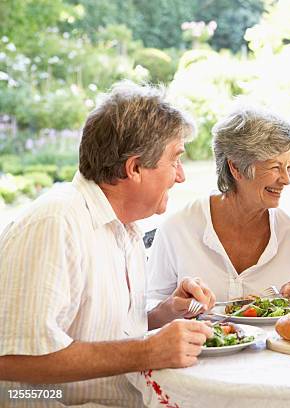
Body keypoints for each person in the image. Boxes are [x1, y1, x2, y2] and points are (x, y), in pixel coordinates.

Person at [0, 81, 216, 407]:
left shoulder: (124, 227)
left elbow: (100, 330)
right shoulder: (56, 221)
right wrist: (146, 351)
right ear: (134, 168)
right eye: (175, 160)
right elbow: (12, 357)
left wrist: (165, 314)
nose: (181, 176)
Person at [146, 106, 290, 306]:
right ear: (235, 167)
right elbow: (149, 308)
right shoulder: (178, 228)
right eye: (275, 167)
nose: (286, 180)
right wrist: (175, 306)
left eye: (289, 167)